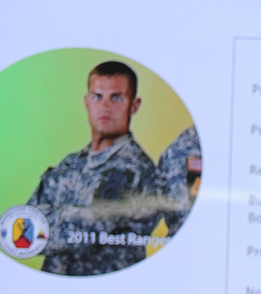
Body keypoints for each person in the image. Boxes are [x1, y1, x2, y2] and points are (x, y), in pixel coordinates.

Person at [28, 59, 167, 275]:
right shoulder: (72, 162)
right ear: (86, 102)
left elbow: (81, 234)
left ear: (134, 105)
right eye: (97, 96)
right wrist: (70, 215)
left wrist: (52, 215)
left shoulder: (134, 170)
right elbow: (25, 223)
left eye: (116, 98)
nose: (105, 107)